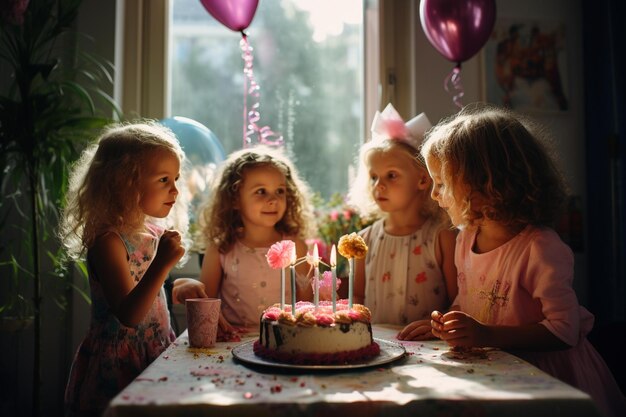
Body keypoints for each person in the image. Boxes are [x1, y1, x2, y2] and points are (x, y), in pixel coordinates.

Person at [422, 104, 625, 417]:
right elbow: (469, 301)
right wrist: (447, 324)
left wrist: (485, 334)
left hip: (547, 379)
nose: (435, 195)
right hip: (497, 372)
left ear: (487, 182)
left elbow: (564, 330)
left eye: (442, 182)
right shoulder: (465, 239)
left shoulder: (540, 248)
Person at [59, 121, 191, 416]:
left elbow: (150, 292)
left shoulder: (151, 233)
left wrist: (180, 286)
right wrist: (162, 263)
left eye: (176, 179)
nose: (175, 191)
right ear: (125, 182)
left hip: (156, 351)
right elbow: (130, 314)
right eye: (163, 180)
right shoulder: (108, 241)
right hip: (118, 364)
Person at [172, 145, 317, 336]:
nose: (273, 199)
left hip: (285, 341)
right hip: (232, 343)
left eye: (280, 191)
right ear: (234, 199)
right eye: (261, 191)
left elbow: (307, 306)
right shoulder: (221, 248)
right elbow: (206, 303)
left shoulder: (295, 246)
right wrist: (184, 285)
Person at [347, 103, 457, 341]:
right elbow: (357, 296)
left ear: (422, 179)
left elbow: (458, 300)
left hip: (428, 347)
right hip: (376, 345)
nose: (379, 186)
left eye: (391, 175)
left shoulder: (442, 236)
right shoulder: (364, 240)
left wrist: (437, 326)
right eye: (374, 177)